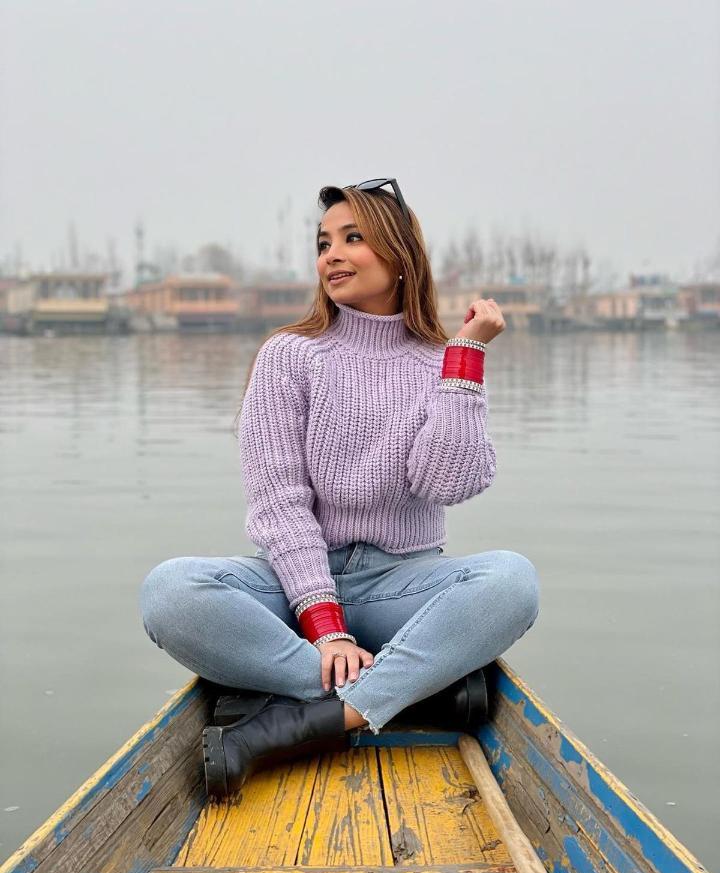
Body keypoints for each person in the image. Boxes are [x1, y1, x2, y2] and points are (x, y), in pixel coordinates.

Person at [139, 178, 540, 800]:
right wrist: (324, 625)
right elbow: (279, 503)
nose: (332, 254)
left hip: (399, 585)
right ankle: (412, 689)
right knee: (169, 592)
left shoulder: (441, 361)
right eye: (324, 241)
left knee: (512, 581)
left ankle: (302, 720)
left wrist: (464, 359)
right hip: (293, 586)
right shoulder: (290, 356)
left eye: (354, 238)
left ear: (401, 255)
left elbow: (447, 480)